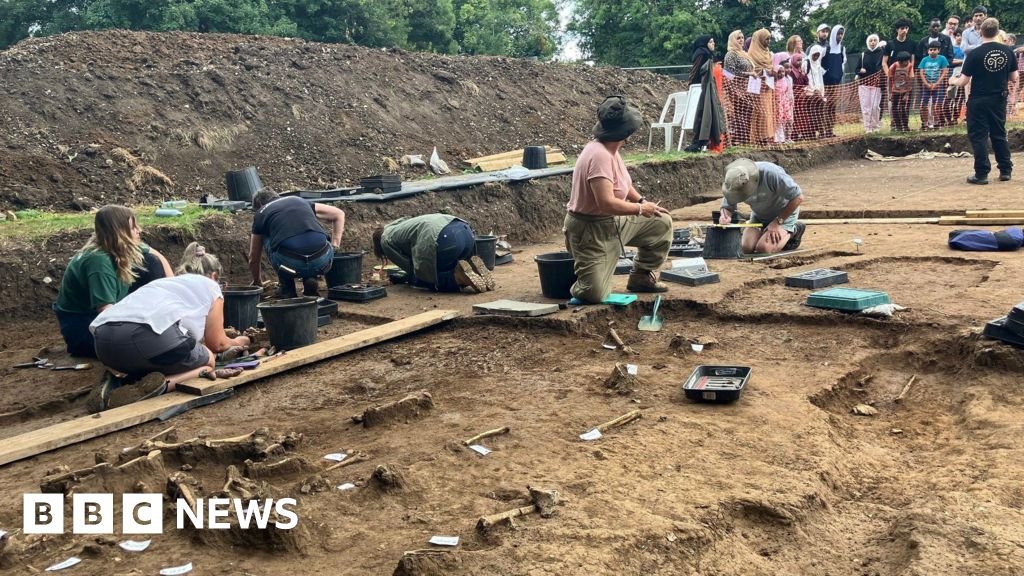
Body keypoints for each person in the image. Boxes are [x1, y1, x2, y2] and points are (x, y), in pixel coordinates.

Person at [87, 243, 251, 411]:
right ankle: (161, 386)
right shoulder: (212, 287)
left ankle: (120, 384)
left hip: (104, 343)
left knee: (161, 354)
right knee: (208, 360)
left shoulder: (164, 284)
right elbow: (218, 344)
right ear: (215, 276)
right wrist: (238, 341)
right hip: (146, 338)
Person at [564, 96, 672, 303]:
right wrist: (640, 210)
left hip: (612, 222)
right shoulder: (599, 156)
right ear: (626, 133)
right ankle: (582, 276)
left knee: (661, 223)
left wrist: (641, 201)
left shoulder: (611, 150)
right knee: (593, 294)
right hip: (590, 230)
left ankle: (641, 277)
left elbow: (623, 185)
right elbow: (606, 202)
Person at [53, 205, 173, 358]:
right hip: (82, 327)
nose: (139, 230)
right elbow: (106, 314)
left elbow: (154, 255)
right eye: (133, 227)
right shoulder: (98, 262)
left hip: (102, 313)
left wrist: (172, 291)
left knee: (150, 261)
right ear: (119, 232)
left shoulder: (114, 245)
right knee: (148, 346)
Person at [950, 17, 1019, 184]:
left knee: (979, 136)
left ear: (981, 32)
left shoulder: (975, 53)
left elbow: (964, 81)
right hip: (998, 99)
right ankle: (1005, 171)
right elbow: (1014, 78)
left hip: (979, 99)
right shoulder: (1008, 51)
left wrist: (952, 81)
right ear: (997, 32)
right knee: (999, 134)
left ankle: (981, 174)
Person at [248, 188, 345, 298]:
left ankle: (287, 288)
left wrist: (257, 281)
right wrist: (335, 246)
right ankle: (310, 278)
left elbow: (253, 257)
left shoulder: (261, 213)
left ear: (259, 204)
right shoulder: (299, 200)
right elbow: (339, 214)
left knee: (266, 236)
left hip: (289, 264)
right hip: (323, 262)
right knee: (310, 231)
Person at [372, 215, 493, 293]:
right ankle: (474, 270)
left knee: (429, 279)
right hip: (465, 232)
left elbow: (409, 267)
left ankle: (458, 278)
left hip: (446, 240)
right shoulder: (401, 224)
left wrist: (413, 278)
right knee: (445, 263)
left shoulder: (385, 239)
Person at [718, 159, 806, 254]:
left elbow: (798, 197)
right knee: (746, 248)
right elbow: (727, 207)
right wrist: (725, 216)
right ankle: (765, 232)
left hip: (783, 214)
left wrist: (777, 222)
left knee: (763, 249)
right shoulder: (733, 181)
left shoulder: (771, 173)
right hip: (759, 215)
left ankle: (794, 231)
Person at [685, 36, 727, 153]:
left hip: (706, 88)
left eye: (713, 41)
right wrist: (693, 86)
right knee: (703, 114)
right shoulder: (702, 54)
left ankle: (704, 142)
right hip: (701, 89)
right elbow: (696, 71)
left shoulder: (707, 55)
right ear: (704, 43)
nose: (713, 44)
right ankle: (698, 142)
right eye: (710, 42)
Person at [723, 30, 755, 145]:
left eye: (742, 37)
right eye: (738, 38)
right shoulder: (731, 54)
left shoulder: (744, 54)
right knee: (739, 115)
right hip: (736, 90)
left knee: (748, 114)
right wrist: (747, 74)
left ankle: (746, 141)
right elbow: (729, 73)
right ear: (733, 40)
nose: (741, 40)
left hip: (748, 89)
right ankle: (740, 141)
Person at [747, 29, 778, 145]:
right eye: (766, 39)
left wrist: (772, 72)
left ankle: (767, 136)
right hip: (757, 87)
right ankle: (759, 137)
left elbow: (771, 67)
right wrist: (763, 72)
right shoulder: (751, 54)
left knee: (769, 111)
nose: (768, 42)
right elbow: (751, 70)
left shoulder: (768, 53)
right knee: (761, 112)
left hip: (768, 88)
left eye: (770, 39)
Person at [821, 25, 847, 137]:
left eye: (841, 34)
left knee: (833, 107)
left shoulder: (842, 49)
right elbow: (820, 65)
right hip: (826, 84)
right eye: (838, 34)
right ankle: (823, 130)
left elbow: (842, 65)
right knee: (825, 106)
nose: (840, 36)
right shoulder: (826, 49)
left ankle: (830, 130)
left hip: (836, 83)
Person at [857, 34, 886, 132]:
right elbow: (856, 69)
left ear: (877, 42)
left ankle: (875, 126)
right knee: (866, 107)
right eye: (871, 40)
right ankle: (867, 128)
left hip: (876, 85)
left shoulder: (881, 53)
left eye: (874, 40)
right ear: (868, 42)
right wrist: (860, 71)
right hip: (864, 84)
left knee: (875, 107)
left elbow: (884, 67)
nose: (872, 42)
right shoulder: (863, 54)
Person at [918, 40, 950, 129]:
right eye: (931, 49)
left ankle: (936, 123)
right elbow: (921, 72)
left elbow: (945, 72)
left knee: (937, 105)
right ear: (928, 51)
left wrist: (937, 83)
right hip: (926, 86)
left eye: (935, 49)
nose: (932, 51)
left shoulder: (942, 59)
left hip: (939, 86)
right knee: (923, 105)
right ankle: (924, 124)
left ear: (938, 50)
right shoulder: (924, 60)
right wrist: (926, 84)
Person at [889, 51, 915, 132]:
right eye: (905, 61)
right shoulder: (893, 66)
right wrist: (890, 93)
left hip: (906, 90)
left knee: (904, 108)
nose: (907, 62)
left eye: (908, 60)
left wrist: (907, 94)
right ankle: (898, 126)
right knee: (895, 108)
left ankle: (905, 126)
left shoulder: (910, 66)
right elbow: (889, 80)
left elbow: (911, 80)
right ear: (900, 61)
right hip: (895, 91)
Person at [774, 53, 795, 143]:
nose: (788, 70)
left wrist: (791, 100)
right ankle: (779, 138)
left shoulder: (789, 79)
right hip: (778, 102)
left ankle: (788, 138)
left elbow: (789, 91)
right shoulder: (775, 81)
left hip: (787, 101)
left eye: (790, 67)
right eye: (786, 68)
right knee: (780, 120)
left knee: (789, 120)